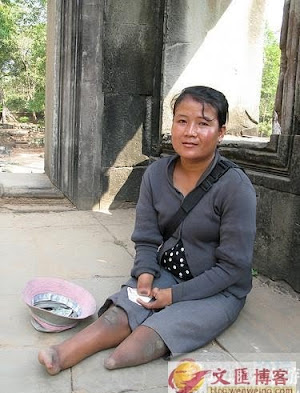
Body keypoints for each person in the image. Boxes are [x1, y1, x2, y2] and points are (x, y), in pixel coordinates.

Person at [38, 86, 256, 375]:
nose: (190, 131)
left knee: (149, 336)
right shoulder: (155, 174)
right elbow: (146, 236)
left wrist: (173, 297)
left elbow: (232, 267)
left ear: (221, 132)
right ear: (173, 125)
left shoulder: (236, 187)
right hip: (165, 273)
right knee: (119, 314)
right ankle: (61, 354)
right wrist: (144, 274)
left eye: (203, 123)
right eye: (182, 121)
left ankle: (153, 331)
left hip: (218, 289)